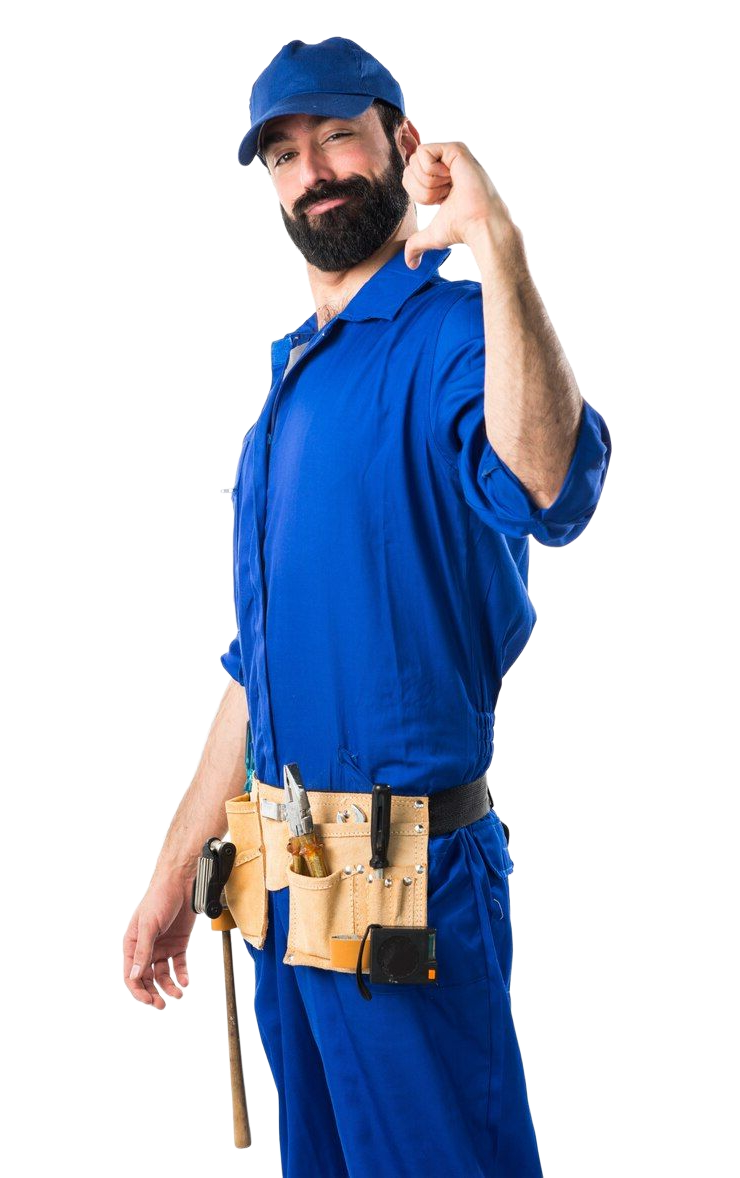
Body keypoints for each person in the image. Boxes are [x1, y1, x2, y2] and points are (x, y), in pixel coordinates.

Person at [121, 35, 612, 1178]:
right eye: (284, 154)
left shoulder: (456, 334)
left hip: (405, 877)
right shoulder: (283, 397)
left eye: (337, 133)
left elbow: (547, 485)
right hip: (282, 879)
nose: (313, 169)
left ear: (401, 142)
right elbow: (259, 666)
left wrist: (497, 245)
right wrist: (167, 871)